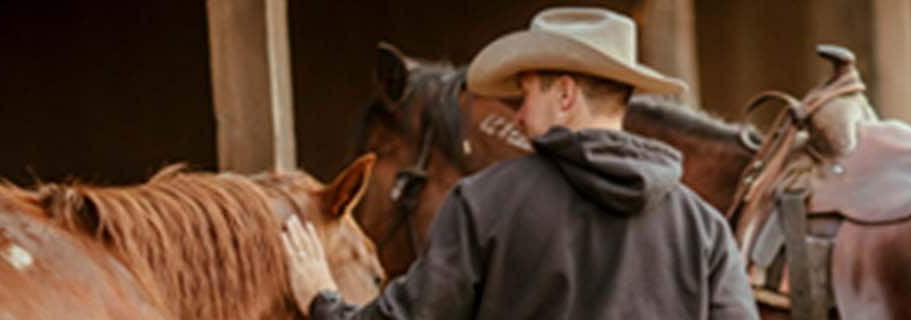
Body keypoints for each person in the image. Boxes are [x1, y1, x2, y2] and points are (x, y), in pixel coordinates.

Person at [280, 7, 758, 320]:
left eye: (526, 95)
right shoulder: (705, 231)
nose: (522, 117)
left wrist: (322, 299)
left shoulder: (485, 204)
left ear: (566, 94)